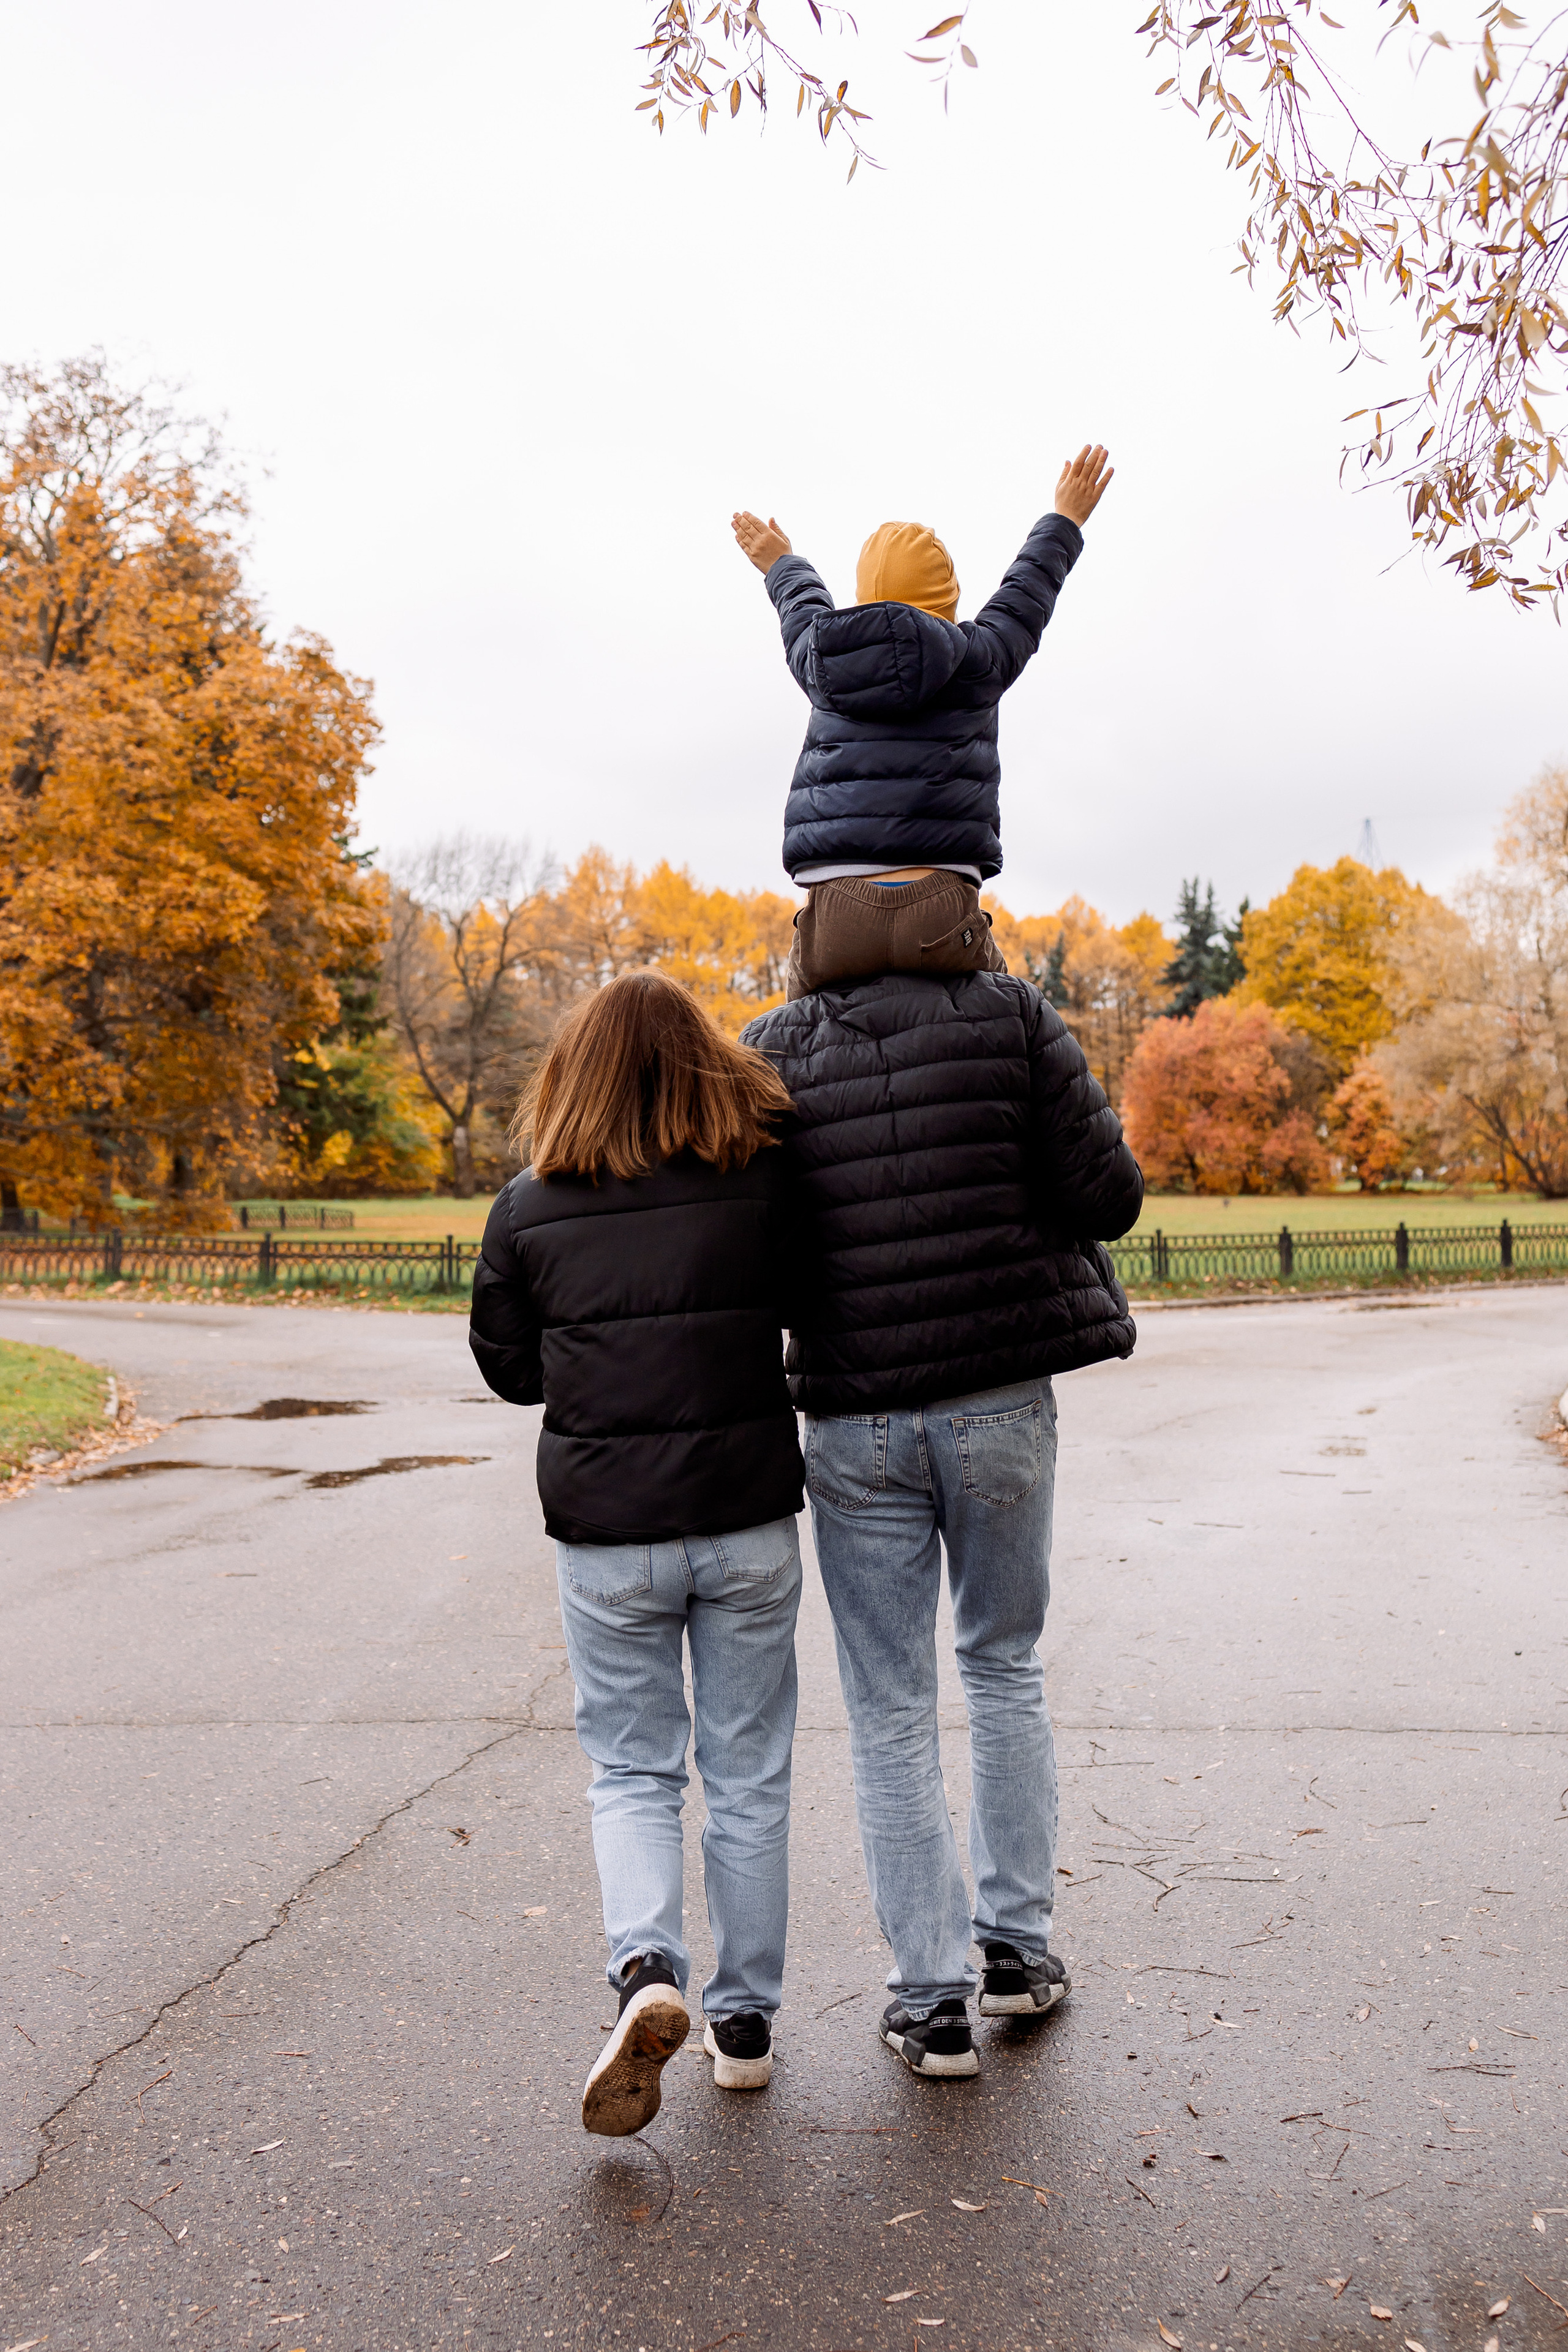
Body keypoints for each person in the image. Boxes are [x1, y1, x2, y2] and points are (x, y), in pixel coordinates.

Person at [742, 967, 1143, 2079]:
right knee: (1004, 1665)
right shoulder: (1008, 1015)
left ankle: (929, 2004)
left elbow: (753, 1243)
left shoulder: (773, 1042)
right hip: (999, 1401)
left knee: (888, 1711)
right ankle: (1017, 1953)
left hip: (855, 1412)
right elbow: (1108, 1194)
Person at [469, 970, 805, 2136]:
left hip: (608, 1533)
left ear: (577, 1074)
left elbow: (512, 1371)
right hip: (748, 1517)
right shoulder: (761, 1180)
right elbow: (812, 1305)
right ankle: (746, 2026)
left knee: (631, 1768)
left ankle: (646, 1970)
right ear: (706, 1064)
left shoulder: (526, 1207)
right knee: (750, 1770)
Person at [731, 444, 1114, 998]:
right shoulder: (979, 659)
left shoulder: (824, 657)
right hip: (942, 905)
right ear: (948, 601)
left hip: (836, 905)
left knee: (788, 1035)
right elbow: (1027, 592)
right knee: (1015, 1014)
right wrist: (1066, 518)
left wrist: (780, 560)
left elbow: (800, 605)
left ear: (862, 599)